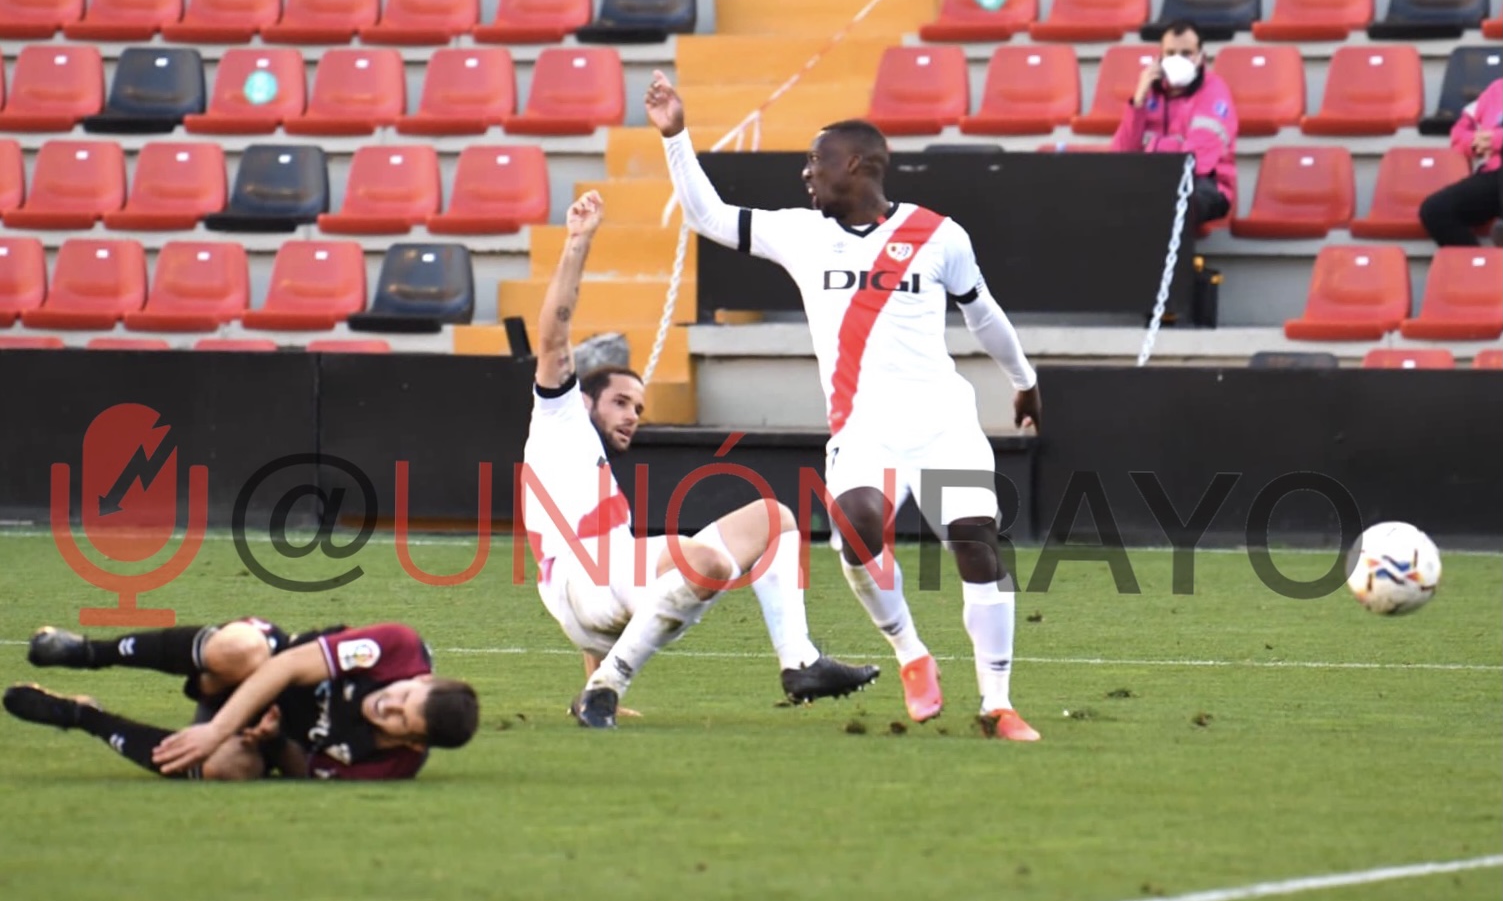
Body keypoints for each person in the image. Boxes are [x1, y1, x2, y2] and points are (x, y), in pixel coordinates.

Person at [646, 71, 1044, 741]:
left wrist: (1024, 378)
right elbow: (706, 216)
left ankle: (997, 702)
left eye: (816, 160)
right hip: (862, 430)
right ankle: (911, 652)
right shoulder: (800, 234)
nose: (806, 173)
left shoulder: (938, 235)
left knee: (976, 544)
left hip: (944, 424)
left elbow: (985, 316)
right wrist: (676, 136)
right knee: (857, 526)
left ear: (857, 164)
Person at [522, 190, 880, 729]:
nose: (632, 416)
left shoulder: (589, 468)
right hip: (581, 585)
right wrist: (578, 242)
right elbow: (553, 336)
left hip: (600, 593)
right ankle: (607, 688)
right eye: (621, 402)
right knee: (703, 562)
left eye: (639, 407)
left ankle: (799, 661)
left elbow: (605, 573)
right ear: (585, 398)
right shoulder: (559, 418)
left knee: (775, 519)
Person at [4, 618, 479, 780]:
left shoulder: (391, 767)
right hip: (262, 661)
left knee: (225, 768)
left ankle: (82, 715)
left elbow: (304, 770)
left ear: (413, 744)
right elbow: (286, 667)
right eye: (402, 696)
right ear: (420, 678)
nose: (387, 707)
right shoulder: (398, 648)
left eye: (399, 721)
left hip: (264, 729)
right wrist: (217, 726)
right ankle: (90, 652)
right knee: (241, 650)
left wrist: (272, 743)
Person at [1110, 19, 1238, 226]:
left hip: (1206, 185)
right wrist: (1138, 100)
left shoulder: (1214, 90)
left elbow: (1197, 161)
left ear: (1200, 58)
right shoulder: (1149, 91)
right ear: (1159, 57)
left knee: (1169, 203)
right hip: (1152, 180)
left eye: (1186, 53)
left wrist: (1150, 154)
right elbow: (1121, 154)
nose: (1177, 59)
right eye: (1170, 53)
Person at [1420, 77, 1502, 247]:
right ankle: (1478, 269)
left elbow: (1496, 139)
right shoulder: (1496, 89)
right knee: (1436, 210)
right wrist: (1475, 142)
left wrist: (1497, 140)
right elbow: (1459, 133)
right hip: (1493, 176)